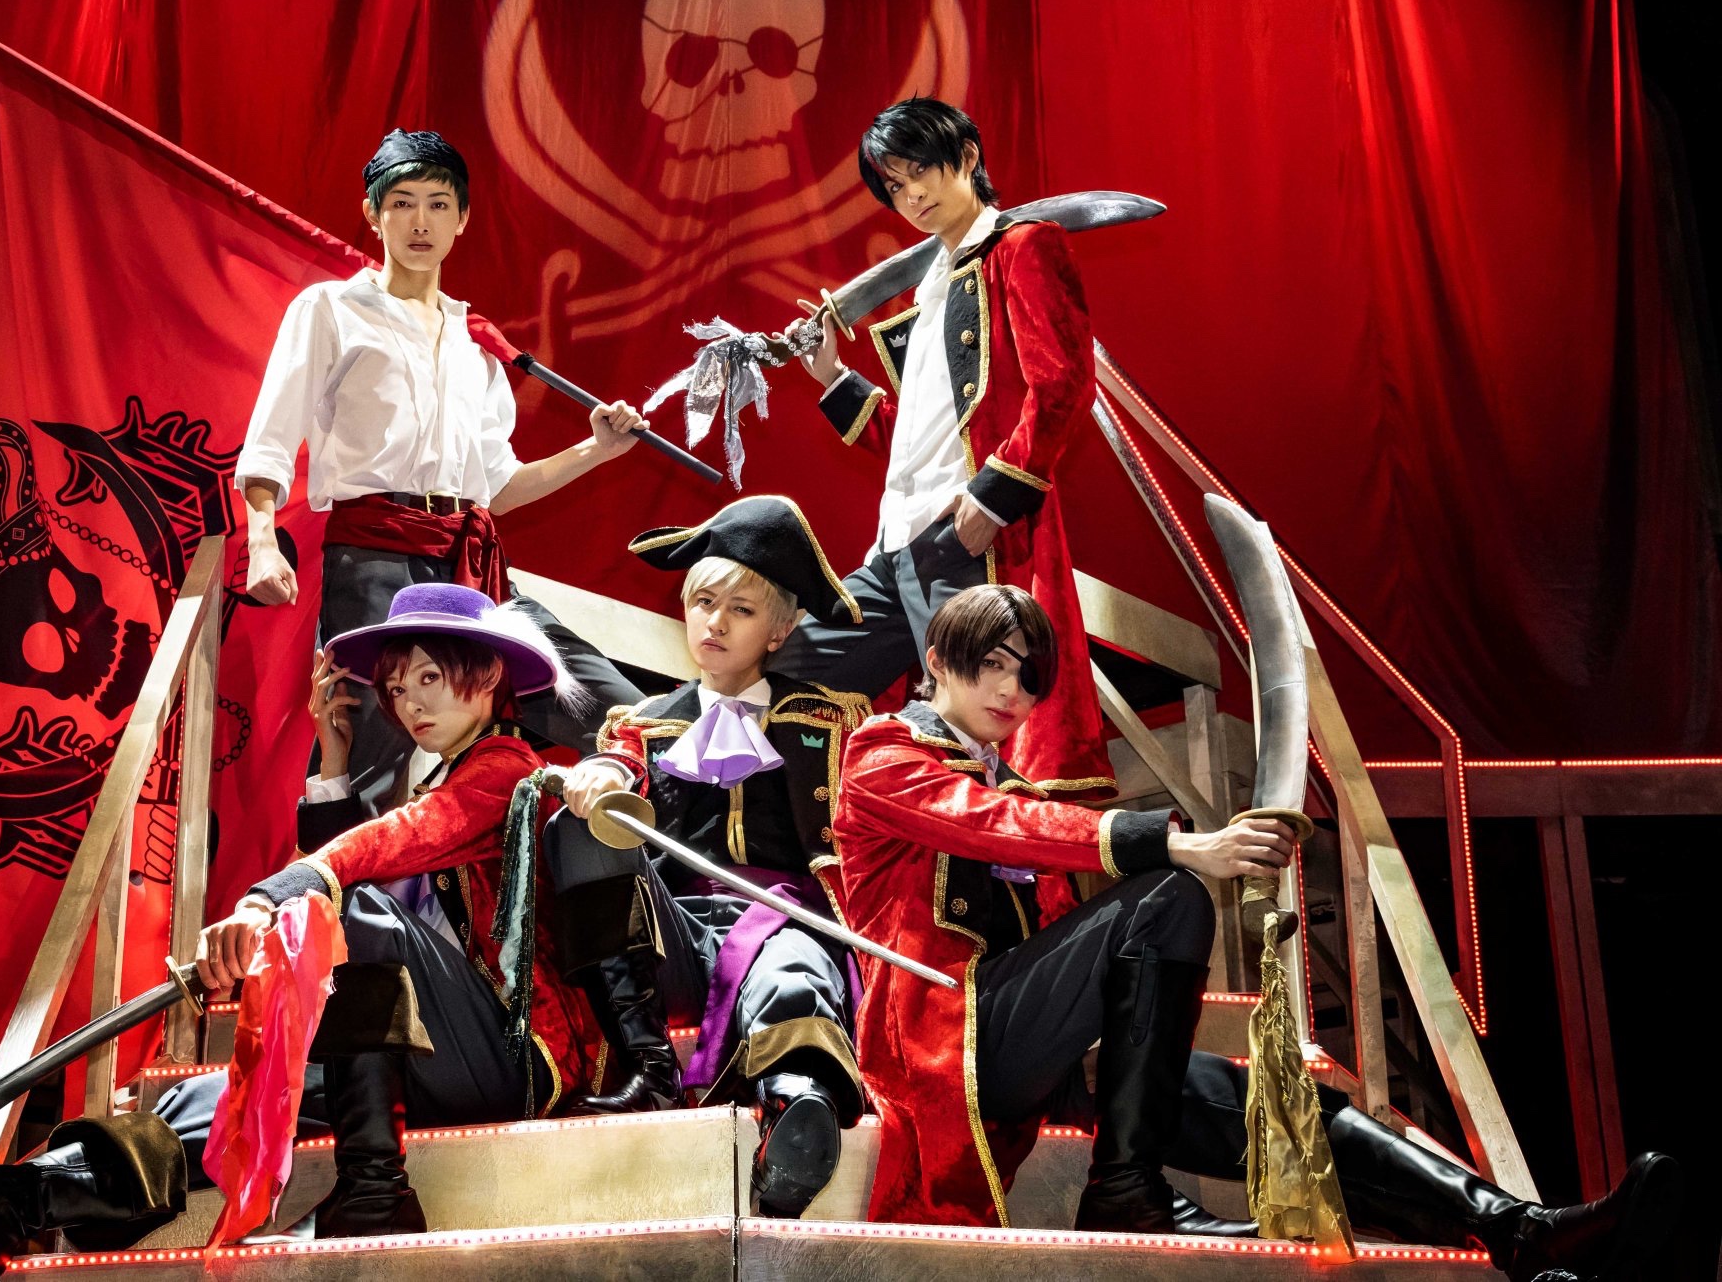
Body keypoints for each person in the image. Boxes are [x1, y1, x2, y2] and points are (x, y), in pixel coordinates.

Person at [831, 584, 1681, 1279]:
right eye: (991, 665)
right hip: (940, 1038)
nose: (1012, 692)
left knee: (1278, 1103)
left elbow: (1045, 896)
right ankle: (1126, 1189)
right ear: (937, 661)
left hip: (1025, 1042)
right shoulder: (882, 754)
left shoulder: (1006, 779)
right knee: (1167, 897)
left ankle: (1516, 1229)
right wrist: (1183, 844)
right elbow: (990, 823)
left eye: (1028, 676)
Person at [0, 582, 613, 1262]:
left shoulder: (510, 770)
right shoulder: (439, 777)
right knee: (201, 1101)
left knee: (344, 911)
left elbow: (382, 853)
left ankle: (375, 1190)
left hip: (524, 1056)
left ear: (488, 678)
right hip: (423, 1054)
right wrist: (332, 767)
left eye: (430, 680)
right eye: (397, 688)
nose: (409, 705)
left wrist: (266, 900)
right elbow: (373, 861)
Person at [237, 127, 647, 818]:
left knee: (608, 707)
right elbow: (270, 440)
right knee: (370, 752)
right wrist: (260, 539)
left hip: (468, 561)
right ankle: (328, 883)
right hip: (374, 557)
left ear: (462, 219)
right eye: (401, 203)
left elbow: (497, 488)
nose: (419, 222)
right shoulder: (331, 309)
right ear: (373, 215)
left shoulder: (476, 343)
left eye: (437, 204)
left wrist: (596, 450)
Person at [770, 96, 1111, 803]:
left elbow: (1063, 383)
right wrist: (832, 377)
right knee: (788, 681)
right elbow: (919, 438)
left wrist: (992, 498)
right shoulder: (932, 292)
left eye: (920, 170)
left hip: (965, 541)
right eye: (895, 185)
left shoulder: (1021, 246)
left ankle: (1013, 874)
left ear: (967, 157)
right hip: (896, 546)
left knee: (979, 742)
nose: (912, 196)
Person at [546, 495, 871, 1217]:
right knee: (581, 827)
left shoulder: (834, 719)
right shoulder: (643, 725)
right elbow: (620, 767)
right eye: (702, 602)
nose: (715, 622)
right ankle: (649, 1067)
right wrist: (602, 776)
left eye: (741, 610)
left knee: (791, 967)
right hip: (673, 934)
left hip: (787, 917)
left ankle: (797, 1107)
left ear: (780, 629)